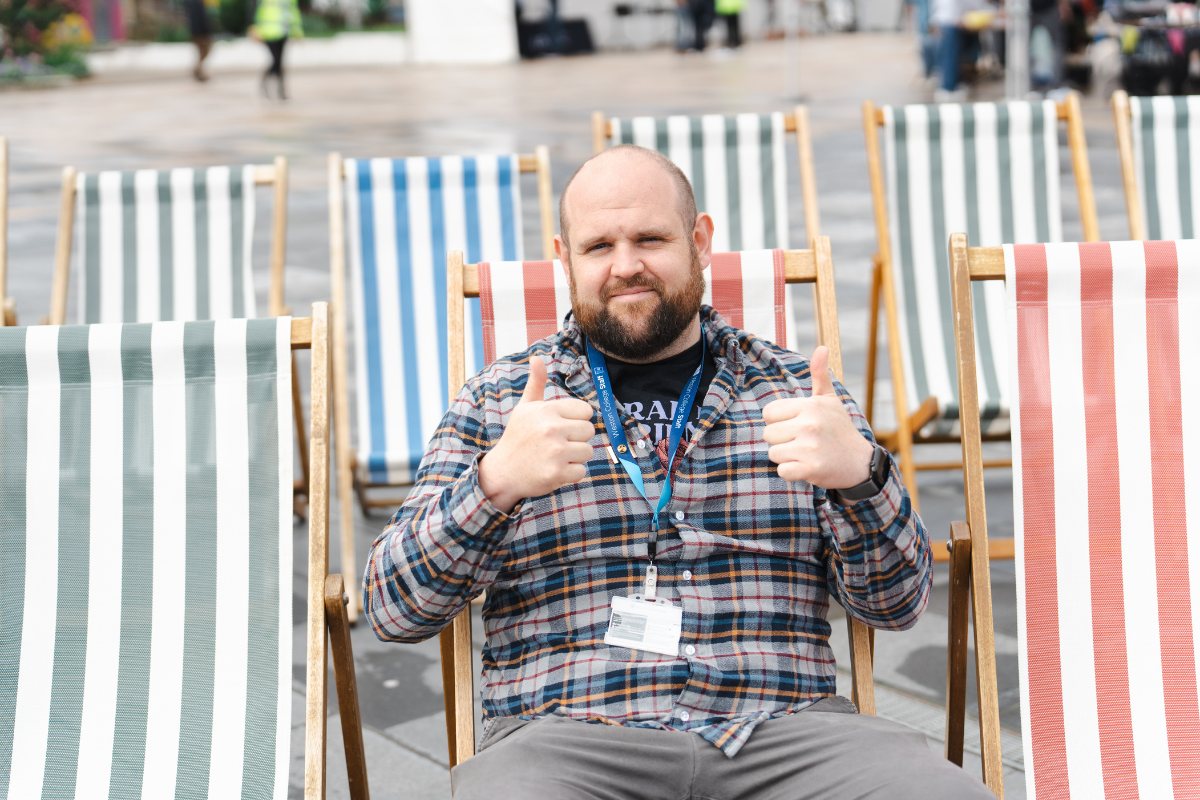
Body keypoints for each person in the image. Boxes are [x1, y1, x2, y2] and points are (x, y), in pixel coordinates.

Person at [364, 145, 994, 800]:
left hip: (783, 733)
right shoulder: (501, 401)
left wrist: (863, 479)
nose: (625, 265)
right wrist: (493, 485)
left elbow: (896, 606)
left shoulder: (796, 397)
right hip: (569, 739)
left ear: (699, 241)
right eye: (599, 246)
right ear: (565, 259)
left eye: (650, 239)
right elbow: (392, 610)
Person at [249, 0, 302, 100]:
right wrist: (254, 28)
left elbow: (293, 13)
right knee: (275, 60)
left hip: (283, 32)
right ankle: (265, 85)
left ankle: (281, 91)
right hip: (268, 32)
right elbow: (255, 10)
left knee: (280, 62)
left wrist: (297, 31)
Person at [183, 0, 212, 82]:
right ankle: (197, 70)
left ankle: (198, 71)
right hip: (199, 31)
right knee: (204, 50)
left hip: (197, 30)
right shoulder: (194, 2)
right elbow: (198, 18)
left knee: (203, 51)